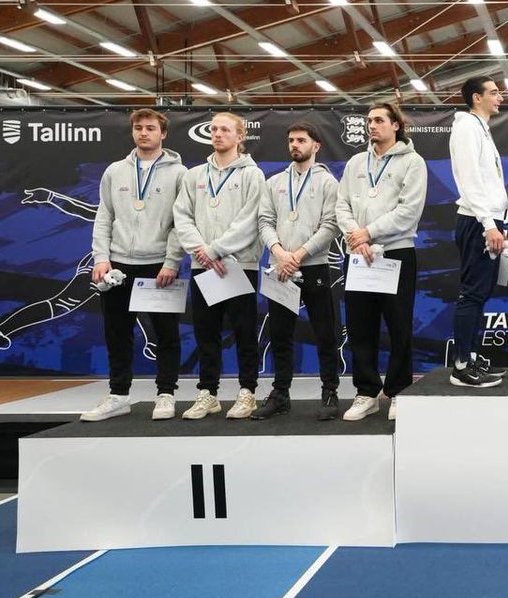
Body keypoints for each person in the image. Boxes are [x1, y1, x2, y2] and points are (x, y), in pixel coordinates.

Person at [81, 109, 187, 422]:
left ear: (163, 134)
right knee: (117, 333)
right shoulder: (115, 171)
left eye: (150, 128)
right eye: (138, 128)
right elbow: (104, 216)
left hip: (158, 266)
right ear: (132, 132)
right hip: (117, 267)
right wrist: (101, 257)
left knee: (166, 334)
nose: (144, 133)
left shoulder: (179, 173)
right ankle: (118, 396)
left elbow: (180, 223)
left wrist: (171, 261)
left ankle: (166, 394)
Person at [337, 102, 427, 419]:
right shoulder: (355, 163)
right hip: (358, 255)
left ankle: (398, 391)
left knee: (399, 325)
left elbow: (408, 211)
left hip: (396, 252)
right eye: (369, 121)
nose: (371, 125)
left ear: (396, 126)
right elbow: (341, 205)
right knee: (361, 326)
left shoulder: (413, 163)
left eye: (378, 120)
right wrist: (356, 235)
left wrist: (369, 233)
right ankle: (366, 392)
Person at [174, 112, 266, 420]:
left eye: (225, 129)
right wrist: (200, 251)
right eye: (213, 129)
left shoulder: (253, 176)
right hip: (204, 267)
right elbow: (182, 216)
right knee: (206, 332)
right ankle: (208, 393)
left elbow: (250, 221)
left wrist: (215, 249)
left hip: (239, 265)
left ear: (240, 136)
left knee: (243, 332)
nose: (217, 134)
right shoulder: (193, 175)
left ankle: (248, 392)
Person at [252, 122, 341, 421]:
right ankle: (280, 394)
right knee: (279, 334)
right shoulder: (274, 181)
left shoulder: (329, 183)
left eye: (301, 140)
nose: (294, 145)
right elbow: (264, 221)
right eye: (291, 140)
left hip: (314, 266)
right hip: (281, 268)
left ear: (315, 146)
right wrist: (279, 252)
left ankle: (330, 391)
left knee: (325, 333)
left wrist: (299, 255)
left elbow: (331, 225)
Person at [449, 77, 507, 388]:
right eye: (494, 92)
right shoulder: (466, 128)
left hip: (486, 219)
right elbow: (470, 179)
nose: (500, 97)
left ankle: (470, 357)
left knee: (481, 293)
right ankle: (460, 365)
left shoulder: (481, 128)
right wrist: (488, 224)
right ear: (476, 98)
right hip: (475, 221)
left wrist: (493, 221)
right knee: (472, 293)